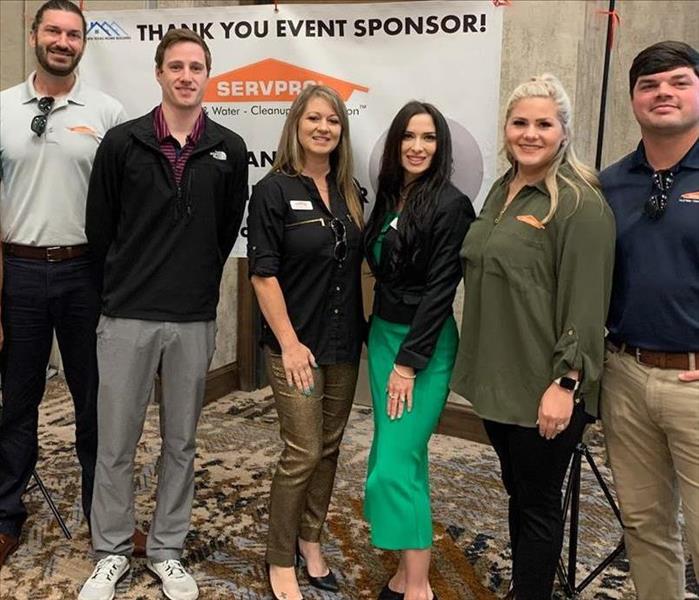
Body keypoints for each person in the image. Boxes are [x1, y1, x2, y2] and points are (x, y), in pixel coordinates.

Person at [78, 28, 248, 600]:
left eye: (196, 66)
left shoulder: (229, 148)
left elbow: (224, 233)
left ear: (207, 75)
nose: (185, 76)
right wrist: (123, 286)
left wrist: (193, 280)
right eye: (175, 66)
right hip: (127, 314)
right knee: (116, 440)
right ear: (158, 73)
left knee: (181, 441)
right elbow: (100, 230)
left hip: (193, 317)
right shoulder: (123, 143)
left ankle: (168, 548)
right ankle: (111, 550)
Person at [451, 74, 615, 600]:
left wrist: (565, 383)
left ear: (563, 132)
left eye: (543, 123)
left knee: (540, 504)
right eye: (520, 122)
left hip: (545, 386)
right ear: (505, 129)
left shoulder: (579, 204)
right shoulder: (504, 187)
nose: (530, 133)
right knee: (518, 493)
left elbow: (587, 304)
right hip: (499, 379)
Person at [0, 0, 126, 570]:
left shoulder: (107, 110)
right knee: (16, 404)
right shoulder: (1, 109)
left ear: (83, 43)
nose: (62, 40)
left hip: (85, 274)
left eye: (73, 33)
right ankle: (5, 517)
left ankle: (105, 522)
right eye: (53, 30)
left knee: (94, 403)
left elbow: (123, 206)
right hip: (18, 272)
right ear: (34, 35)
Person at [247, 84, 364, 600]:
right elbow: (263, 274)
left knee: (331, 448)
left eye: (333, 120)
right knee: (302, 450)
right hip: (296, 345)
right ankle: (279, 558)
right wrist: (290, 344)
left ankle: (310, 540)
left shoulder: (350, 188)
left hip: (343, 341)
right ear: (296, 124)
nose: (323, 127)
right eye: (313, 118)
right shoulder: (273, 190)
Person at [363, 101, 475, 600]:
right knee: (403, 459)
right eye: (409, 136)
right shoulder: (389, 196)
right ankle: (410, 575)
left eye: (428, 138)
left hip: (421, 348)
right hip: (382, 335)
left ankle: (417, 590)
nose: (417, 146)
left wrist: (408, 364)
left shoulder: (451, 206)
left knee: (393, 463)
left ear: (441, 146)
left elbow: (439, 291)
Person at [599, 41, 699, 600]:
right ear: (634, 98)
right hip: (626, 376)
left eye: (679, 81)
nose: (664, 93)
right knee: (644, 525)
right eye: (650, 85)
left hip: (694, 382)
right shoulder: (610, 184)